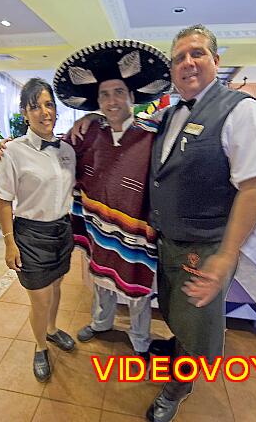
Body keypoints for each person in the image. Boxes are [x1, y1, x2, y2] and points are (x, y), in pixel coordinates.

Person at [144, 24, 256, 421]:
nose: (188, 62)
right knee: (177, 311)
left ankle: (178, 386)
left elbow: (254, 186)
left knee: (197, 321)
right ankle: (177, 351)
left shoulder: (241, 110)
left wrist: (226, 255)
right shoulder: (168, 114)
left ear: (216, 62)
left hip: (205, 246)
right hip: (171, 242)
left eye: (197, 53)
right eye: (179, 58)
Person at [52, 40, 171, 363]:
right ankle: (101, 323)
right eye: (104, 95)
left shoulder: (153, 134)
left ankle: (140, 339)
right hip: (97, 224)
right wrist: (12, 150)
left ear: (132, 97)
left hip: (135, 228)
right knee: (100, 277)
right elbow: (55, 155)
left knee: (136, 287)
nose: (112, 100)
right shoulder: (87, 133)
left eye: (118, 92)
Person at [0, 78, 76, 383]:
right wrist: (9, 243)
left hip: (61, 231)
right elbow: (3, 200)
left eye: (49, 104)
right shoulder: (13, 152)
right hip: (30, 235)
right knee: (39, 299)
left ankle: (52, 330)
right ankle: (40, 346)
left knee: (56, 289)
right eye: (35, 106)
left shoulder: (68, 149)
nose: (44, 112)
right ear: (24, 113)